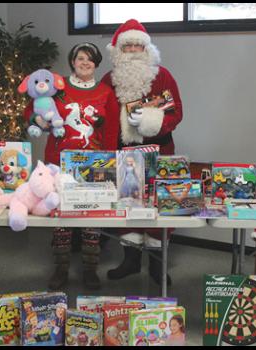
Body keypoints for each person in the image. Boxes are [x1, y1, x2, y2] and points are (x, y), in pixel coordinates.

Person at [23, 42, 120, 290]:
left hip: (94, 163)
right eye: (79, 58)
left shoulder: (106, 92)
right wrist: (35, 120)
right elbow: (32, 109)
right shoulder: (58, 88)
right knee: (61, 216)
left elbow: (111, 131)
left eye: (89, 59)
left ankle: (90, 269)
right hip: (59, 162)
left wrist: (111, 162)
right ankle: (61, 267)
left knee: (92, 218)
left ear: (96, 63)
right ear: (72, 61)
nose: (84, 62)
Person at [101, 19, 184, 285]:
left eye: (138, 44)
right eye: (128, 46)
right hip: (123, 153)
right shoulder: (108, 79)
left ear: (147, 48)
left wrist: (150, 120)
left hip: (159, 150)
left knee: (159, 206)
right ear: (118, 51)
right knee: (129, 205)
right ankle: (131, 261)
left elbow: (176, 111)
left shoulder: (163, 75)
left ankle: (158, 266)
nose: (134, 49)